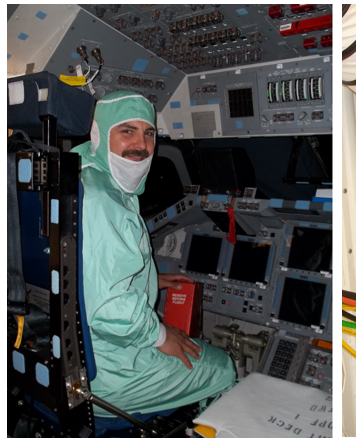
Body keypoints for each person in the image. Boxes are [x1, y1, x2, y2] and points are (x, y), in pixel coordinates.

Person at [73, 91, 236, 418]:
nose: (142, 145)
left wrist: (151, 278)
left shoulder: (91, 178)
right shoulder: (101, 200)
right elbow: (109, 309)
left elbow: (91, 270)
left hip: (78, 352)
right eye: (127, 131)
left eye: (149, 134)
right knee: (223, 369)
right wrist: (161, 336)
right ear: (100, 134)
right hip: (109, 370)